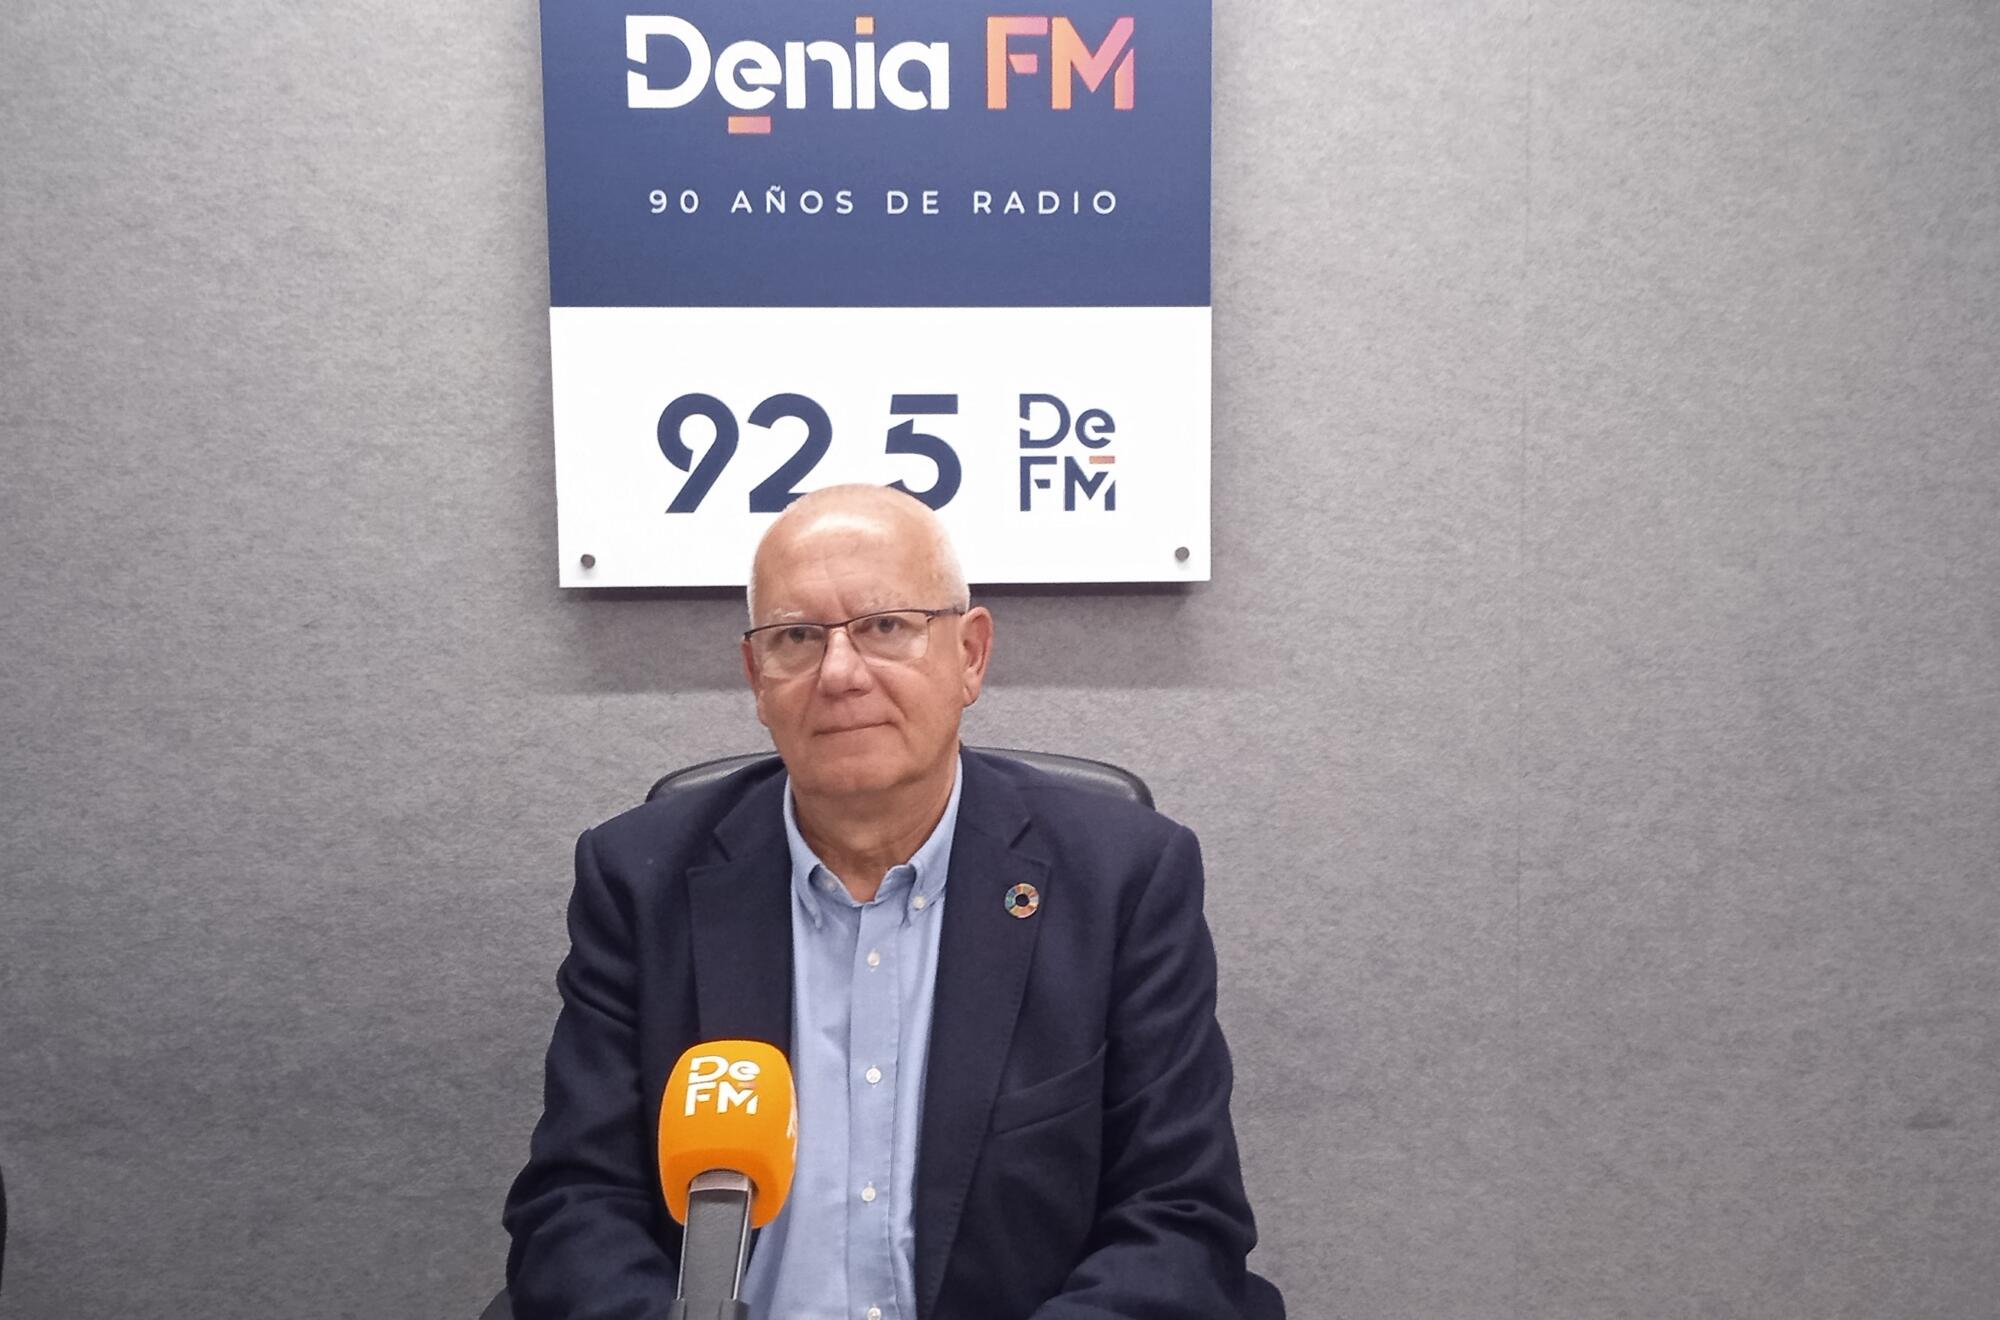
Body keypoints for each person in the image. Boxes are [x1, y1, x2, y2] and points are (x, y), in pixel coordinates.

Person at [503, 485, 1260, 1319]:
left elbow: (1180, 1218)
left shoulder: (1122, 879)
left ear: (970, 655)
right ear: (757, 678)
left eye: (886, 626)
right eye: (796, 637)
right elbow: (575, 1207)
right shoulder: (639, 880)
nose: (839, 673)